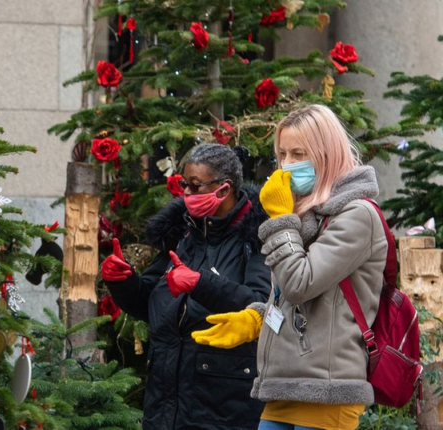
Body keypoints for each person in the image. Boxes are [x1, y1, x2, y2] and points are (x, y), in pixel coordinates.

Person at [192, 104, 387, 430]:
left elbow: (300, 284)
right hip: (284, 383)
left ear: (327, 154)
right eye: (282, 154)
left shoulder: (357, 215)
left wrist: (281, 221)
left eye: (299, 153)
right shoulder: (306, 215)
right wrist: (256, 317)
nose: (287, 165)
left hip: (328, 387)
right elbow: (290, 293)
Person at [102, 143, 271, 430]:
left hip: (224, 408)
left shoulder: (257, 237)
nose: (187, 195)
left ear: (224, 188)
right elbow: (151, 305)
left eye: (195, 186)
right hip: (165, 405)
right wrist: (123, 282)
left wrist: (201, 283)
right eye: (184, 185)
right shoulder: (182, 233)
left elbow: (260, 307)